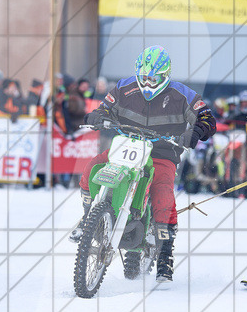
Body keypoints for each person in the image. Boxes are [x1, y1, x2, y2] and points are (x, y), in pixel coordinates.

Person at [74, 45, 216, 282]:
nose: (148, 84)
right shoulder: (123, 87)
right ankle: (88, 218)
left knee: (162, 194)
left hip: (162, 151)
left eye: (154, 79)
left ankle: (165, 256)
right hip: (126, 145)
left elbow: (207, 118)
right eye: (144, 78)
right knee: (92, 168)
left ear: (165, 75)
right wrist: (99, 116)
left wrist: (196, 132)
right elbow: (105, 108)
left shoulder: (183, 95)